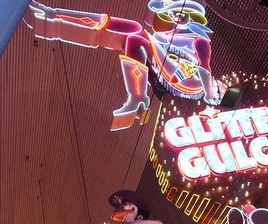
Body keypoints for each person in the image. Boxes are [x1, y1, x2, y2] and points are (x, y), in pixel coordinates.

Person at [24, 1, 226, 131]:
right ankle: (54, 15)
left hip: (189, 84)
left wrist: (209, 97)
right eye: (172, 14)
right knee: (133, 36)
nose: (175, 17)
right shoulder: (164, 36)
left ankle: (138, 98)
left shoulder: (198, 40)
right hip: (166, 75)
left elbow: (204, 68)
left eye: (180, 14)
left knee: (137, 33)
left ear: (193, 18)